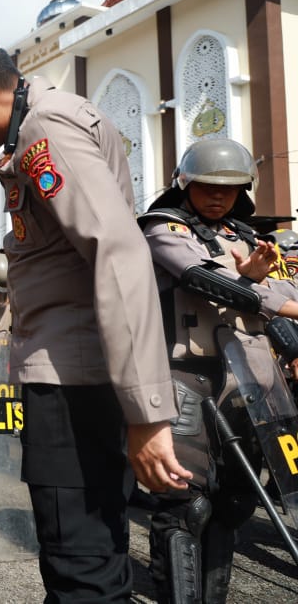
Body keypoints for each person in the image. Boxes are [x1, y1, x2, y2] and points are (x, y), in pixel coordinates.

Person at [0, 21, 190, 601]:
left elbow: (117, 253)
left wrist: (147, 413)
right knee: (91, 553)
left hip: (73, 384)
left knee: (79, 566)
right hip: (76, 374)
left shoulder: (43, 131)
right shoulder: (34, 130)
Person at [138, 138, 298, 602]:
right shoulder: (162, 227)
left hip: (248, 383)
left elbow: (274, 297)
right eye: (207, 185)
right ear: (185, 184)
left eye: (228, 188)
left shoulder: (248, 237)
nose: (217, 195)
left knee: (232, 503)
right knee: (185, 502)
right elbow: (201, 277)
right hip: (185, 377)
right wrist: (257, 283)